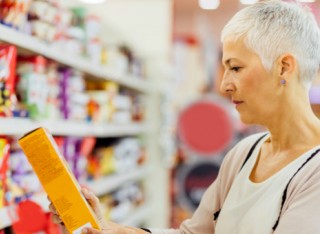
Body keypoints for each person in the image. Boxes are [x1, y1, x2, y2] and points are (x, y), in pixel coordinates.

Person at [49, 0, 320, 233]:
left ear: (284, 67)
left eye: (235, 67)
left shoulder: (313, 171)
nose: (225, 85)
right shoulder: (245, 153)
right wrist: (108, 228)